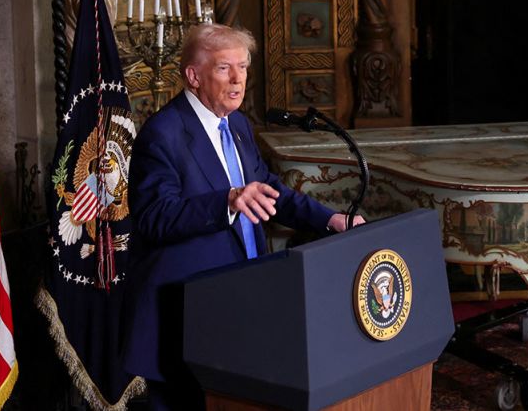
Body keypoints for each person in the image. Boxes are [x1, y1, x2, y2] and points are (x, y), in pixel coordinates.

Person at [124, 23, 363, 410]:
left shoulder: (236, 124)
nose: (238, 79)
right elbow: (154, 217)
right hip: (186, 313)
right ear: (193, 75)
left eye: (243, 67)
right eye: (224, 68)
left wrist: (330, 220)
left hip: (241, 298)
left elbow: (266, 189)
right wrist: (228, 201)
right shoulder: (162, 133)